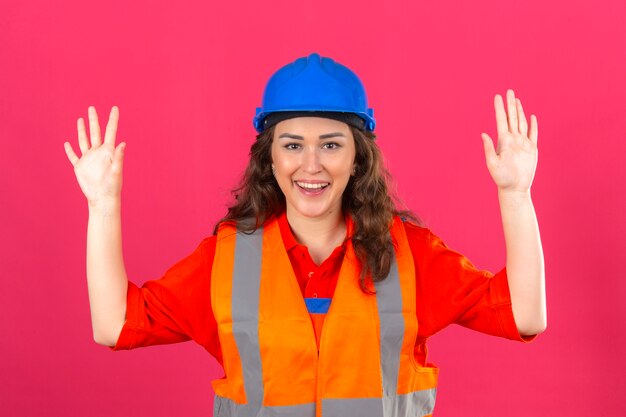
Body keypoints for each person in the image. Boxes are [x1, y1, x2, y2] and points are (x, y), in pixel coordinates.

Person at [64, 52, 546, 417]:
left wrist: (516, 194)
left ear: (357, 159)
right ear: (269, 158)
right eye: (292, 145)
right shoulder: (227, 260)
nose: (310, 165)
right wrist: (102, 204)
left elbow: (525, 315)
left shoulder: (410, 254)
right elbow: (114, 324)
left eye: (331, 145)